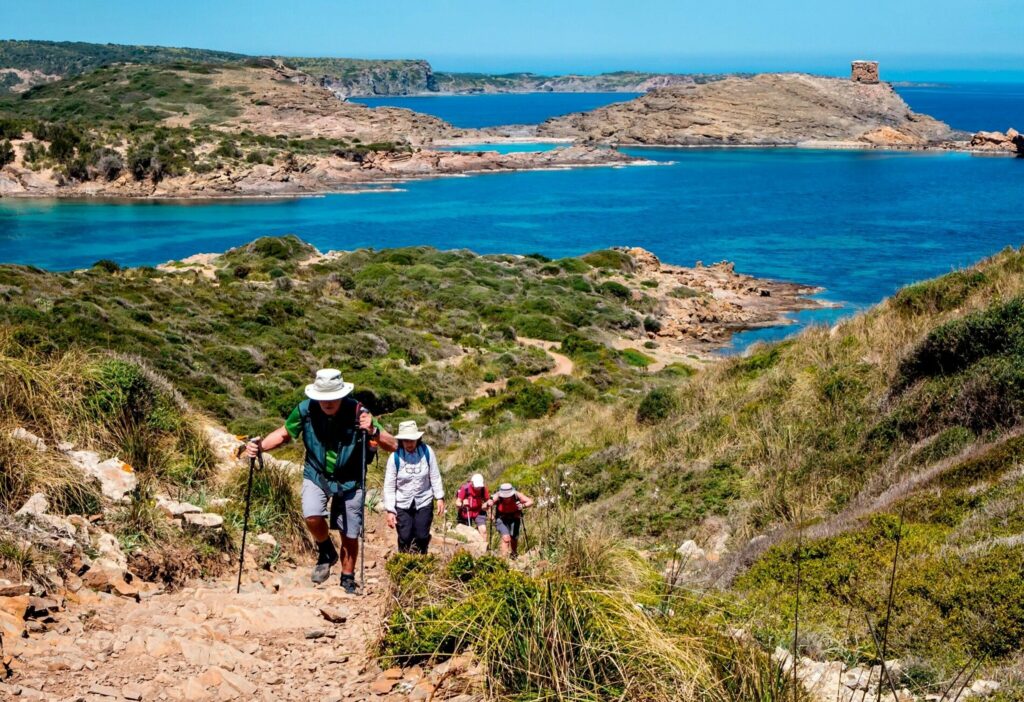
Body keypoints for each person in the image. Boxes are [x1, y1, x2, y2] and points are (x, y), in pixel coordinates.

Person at [245, 368, 396, 592]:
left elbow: (392, 445)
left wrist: (373, 430)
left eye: (332, 398)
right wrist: (259, 448)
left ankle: (347, 578)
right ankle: (326, 549)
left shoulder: (359, 413)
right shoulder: (305, 410)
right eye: (322, 398)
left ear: (342, 395)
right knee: (312, 514)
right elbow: (284, 433)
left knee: (350, 532)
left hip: (351, 478)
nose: (327, 403)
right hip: (316, 472)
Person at [382, 420, 445, 554]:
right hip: (402, 502)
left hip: (424, 499)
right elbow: (389, 486)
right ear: (401, 441)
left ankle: (420, 559)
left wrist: (439, 497)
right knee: (405, 536)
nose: (409, 444)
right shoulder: (395, 458)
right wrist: (390, 510)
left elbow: (434, 475)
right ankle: (404, 562)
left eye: (412, 440)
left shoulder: (427, 452)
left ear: (418, 439)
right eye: (406, 440)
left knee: (422, 534)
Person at [485, 483, 534, 559]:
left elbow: (531, 501)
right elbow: (485, 506)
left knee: (514, 537)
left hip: (515, 518)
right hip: (501, 519)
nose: (507, 498)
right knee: (506, 538)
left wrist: (523, 506)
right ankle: (503, 559)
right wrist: (488, 506)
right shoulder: (496, 496)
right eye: (505, 496)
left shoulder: (517, 495)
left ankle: (514, 554)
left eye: (508, 496)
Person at [455, 473, 489, 539]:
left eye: (480, 486)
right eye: (477, 486)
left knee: (483, 530)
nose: (478, 488)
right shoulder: (465, 489)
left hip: (478, 511)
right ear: (472, 483)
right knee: (464, 534)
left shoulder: (483, 489)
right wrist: (462, 504)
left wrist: (487, 506)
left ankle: (483, 547)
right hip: (466, 512)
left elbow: (487, 500)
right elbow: (457, 502)